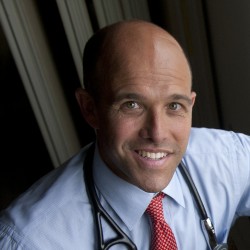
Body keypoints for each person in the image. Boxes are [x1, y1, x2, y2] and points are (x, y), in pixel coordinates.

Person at [0, 19, 249, 250]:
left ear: (190, 105)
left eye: (174, 106)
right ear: (90, 109)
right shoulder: (30, 240)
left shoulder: (226, 157)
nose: (157, 133)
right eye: (132, 105)